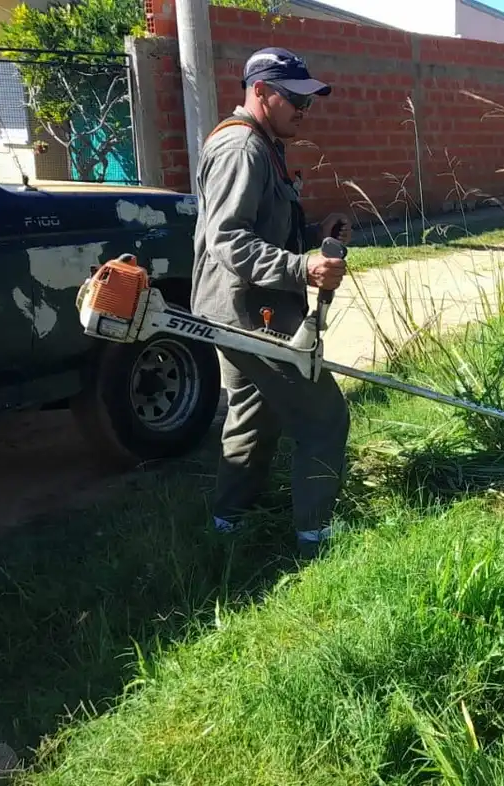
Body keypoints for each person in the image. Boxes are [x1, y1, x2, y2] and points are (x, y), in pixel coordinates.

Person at [189, 46, 352, 558]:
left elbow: (262, 227)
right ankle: (316, 541)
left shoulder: (262, 144)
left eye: (309, 101)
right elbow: (229, 240)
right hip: (249, 313)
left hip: (233, 307)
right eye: (296, 100)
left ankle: (228, 528)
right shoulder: (243, 149)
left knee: (255, 413)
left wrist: (310, 233)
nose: (305, 111)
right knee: (325, 417)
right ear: (260, 92)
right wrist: (301, 267)